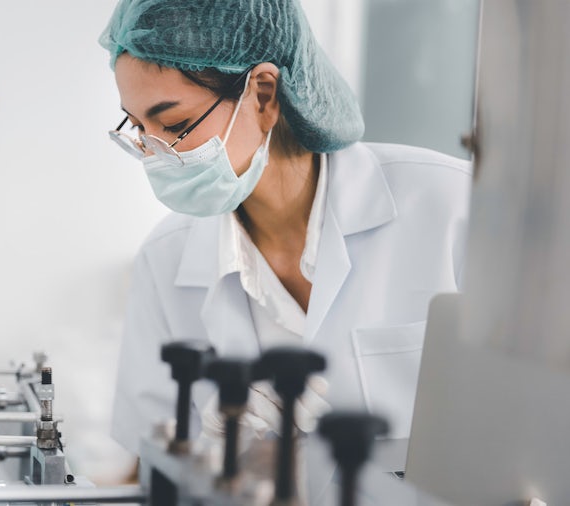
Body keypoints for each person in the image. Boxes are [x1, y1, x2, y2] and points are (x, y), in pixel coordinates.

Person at [100, 0, 471, 486]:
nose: (155, 156)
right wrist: (220, 457)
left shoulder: (453, 206)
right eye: (140, 130)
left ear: (264, 94)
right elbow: (152, 468)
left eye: (173, 125)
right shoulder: (164, 259)